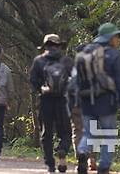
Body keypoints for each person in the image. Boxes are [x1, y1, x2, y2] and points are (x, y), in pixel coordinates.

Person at [75, 24, 120, 174]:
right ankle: (104, 166)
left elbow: (77, 79)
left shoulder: (85, 52)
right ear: (110, 38)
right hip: (106, 101)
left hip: (86, 100)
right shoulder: (114, 55)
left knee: (88, 133)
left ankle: (83, 151)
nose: (119, 40)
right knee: (109, 134)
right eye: (117, 37)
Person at [29, 34, 73, 174]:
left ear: (45, 46)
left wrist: (41, 89)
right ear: (59, 45)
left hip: (45, 100)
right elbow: (75, 80)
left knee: (46, 133)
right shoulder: (66, 61)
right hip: (63, 100)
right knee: (65, 132)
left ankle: (50, 165)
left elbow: (33, 80)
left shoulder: (38, 61)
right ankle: (62, 150)